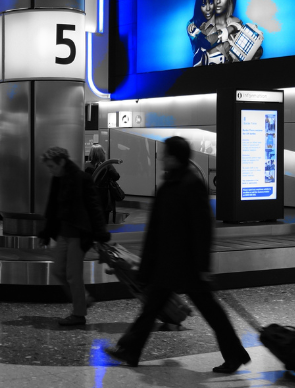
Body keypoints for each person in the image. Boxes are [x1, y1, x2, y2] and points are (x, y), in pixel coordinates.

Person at [106, 137, 251, 373]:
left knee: (211, 312)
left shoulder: (190, 184)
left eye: (165, 153)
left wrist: (203, 266)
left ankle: (234, 354)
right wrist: (148, 264)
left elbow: (203, 229)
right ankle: (129, 350)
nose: (162, 157)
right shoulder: (169, 184)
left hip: (189, 265)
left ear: (175, 157)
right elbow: (156, 229)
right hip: (168, 263)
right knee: (151, 308)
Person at [38, 147, 110, 326]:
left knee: (73, 275)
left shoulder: (82, 178)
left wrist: (100, 233)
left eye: (51, 166)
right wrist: (46, 233)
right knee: (57, 270)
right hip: (63, 234)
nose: (50, 170)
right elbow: (51, 208)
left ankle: (79, 314)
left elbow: (94, 207)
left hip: (79, 234)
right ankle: (83, 299)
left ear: (62, 162)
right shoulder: (57, 179)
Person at [86, 144, 120, 225]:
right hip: (104, 198)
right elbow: (116, 176)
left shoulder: (86, 165)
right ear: (102, 153)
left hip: (90, 197)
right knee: (104, 221)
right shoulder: (107, 165)